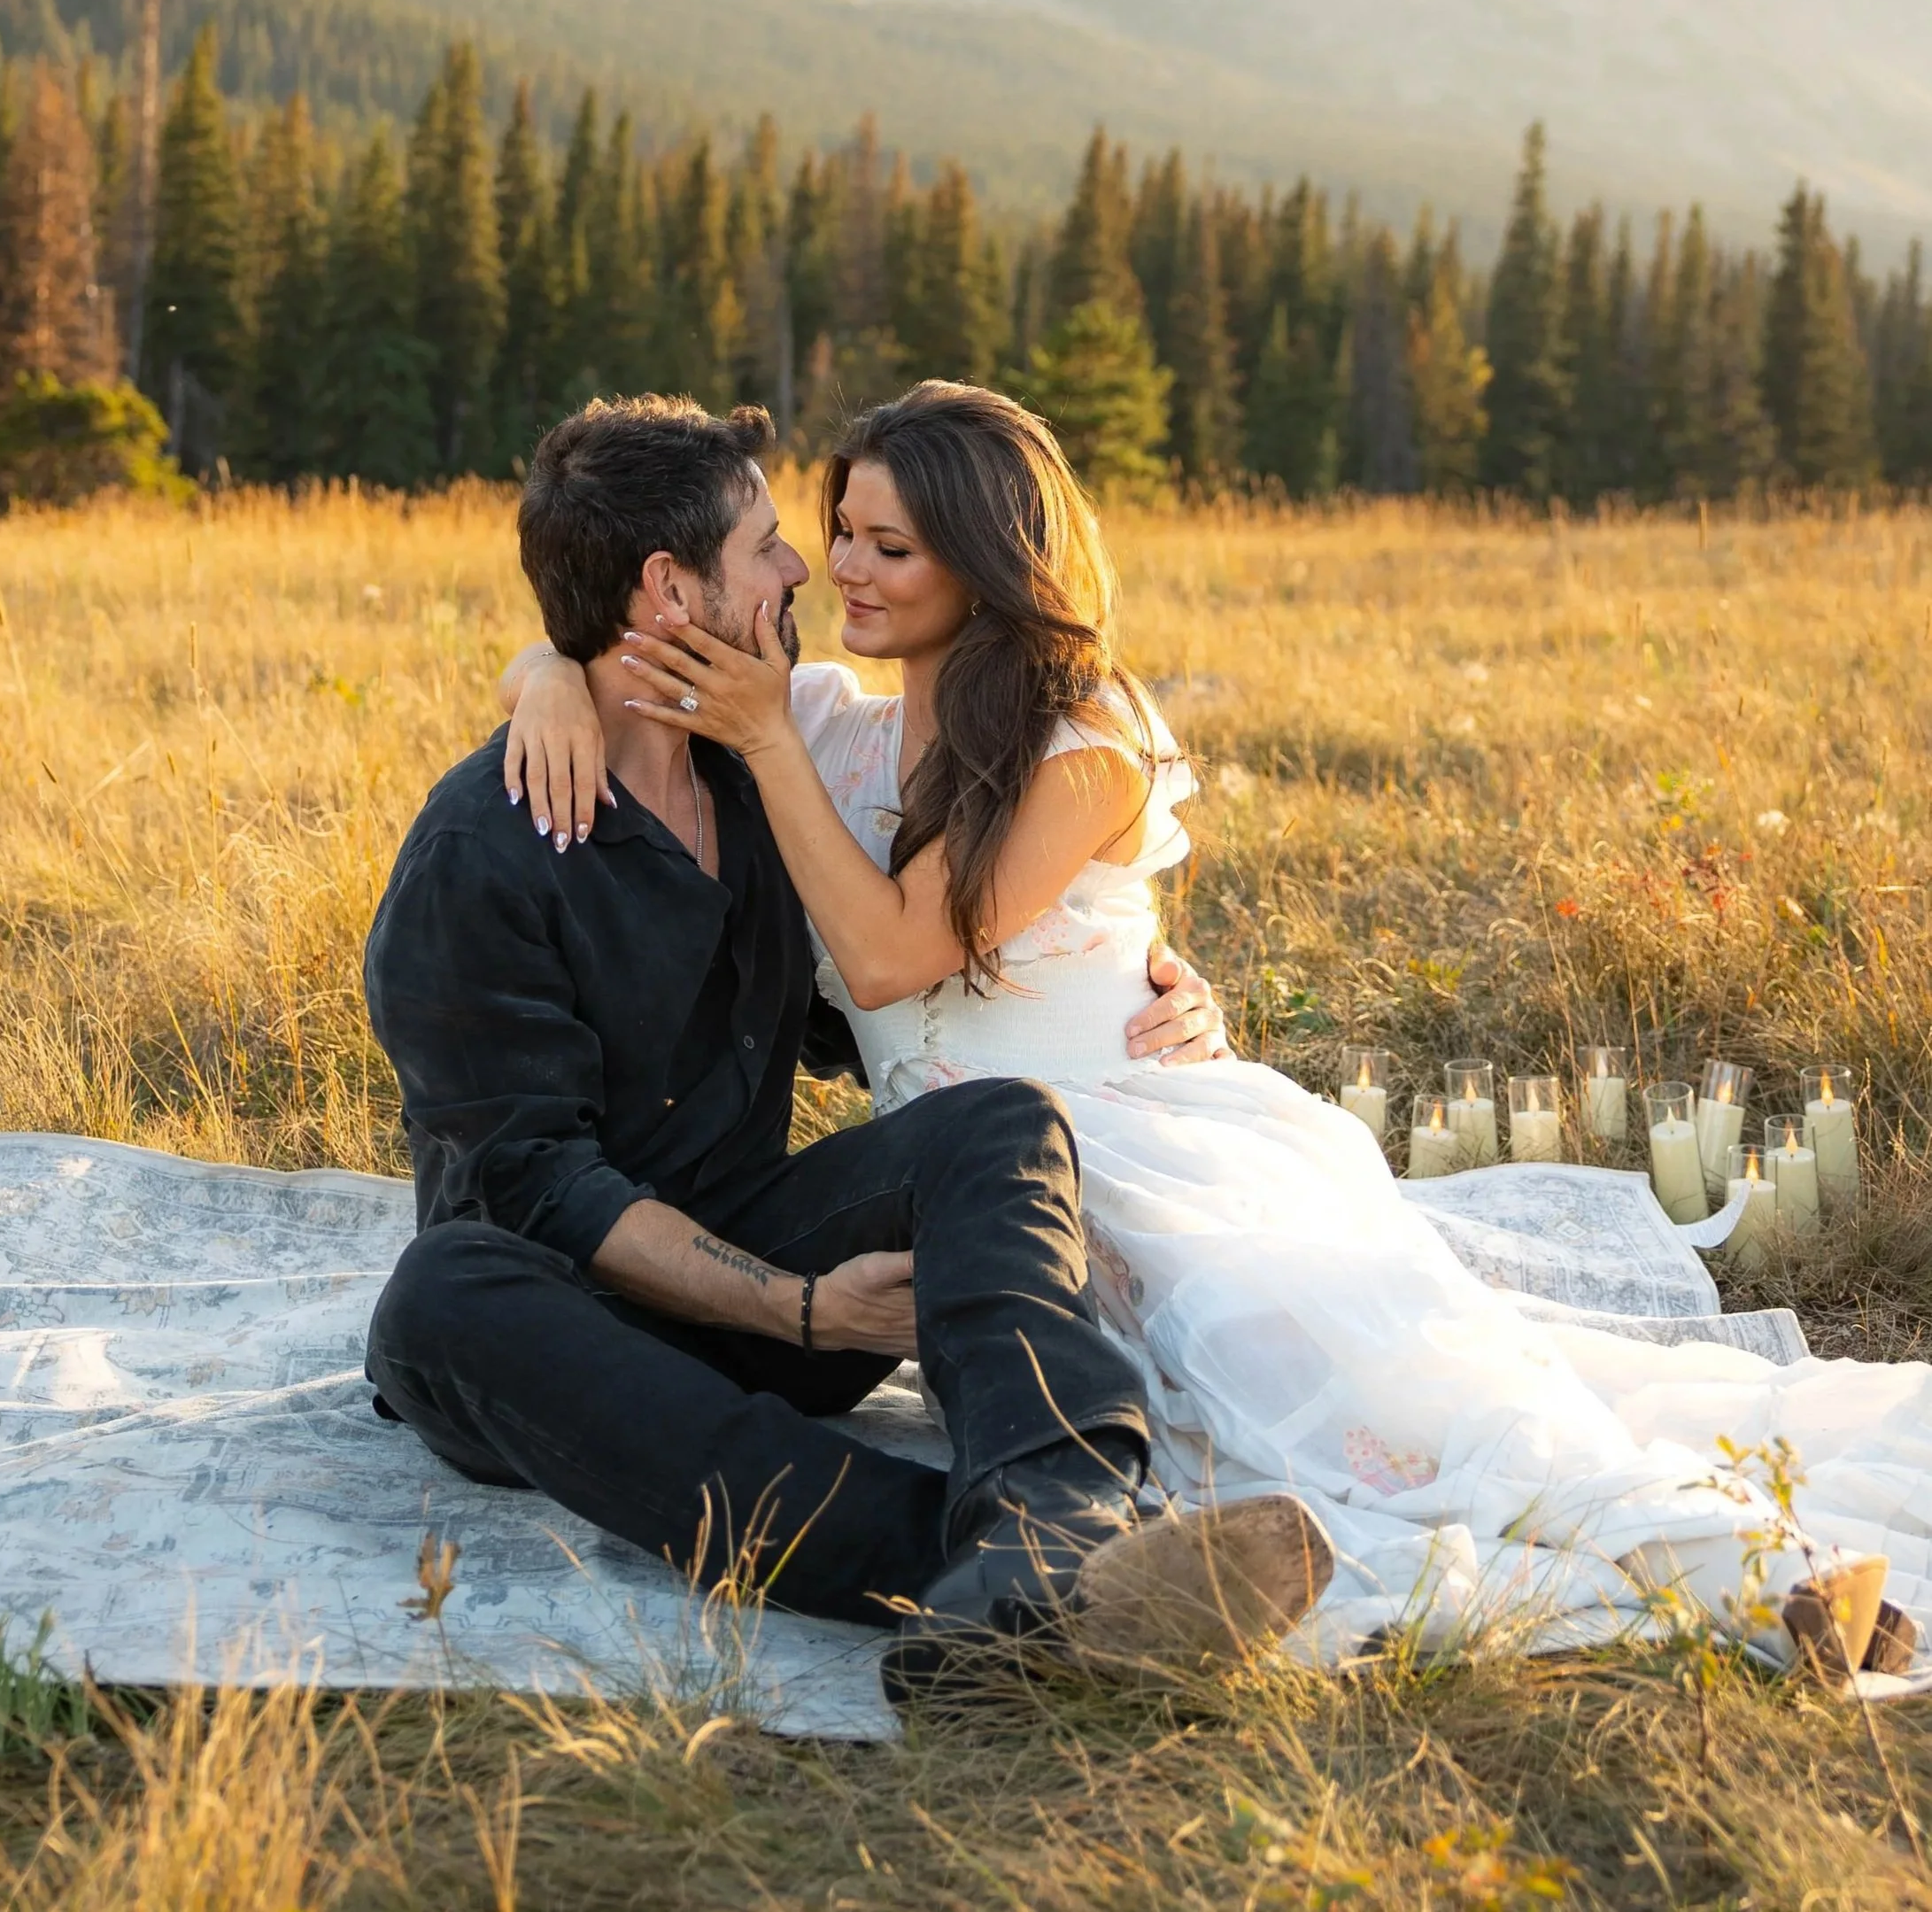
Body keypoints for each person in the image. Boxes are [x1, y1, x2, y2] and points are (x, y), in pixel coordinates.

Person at [506, 379, 1932, 1676]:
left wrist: (757, 742)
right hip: (982, 1188)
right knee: (1148, 1454)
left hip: (1145, 1148)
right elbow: (615, 637)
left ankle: (1773, 1576)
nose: (842, 571)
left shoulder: (1081, 740)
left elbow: (884, 963)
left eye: (893, 545)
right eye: (839, 532)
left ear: (988, 557)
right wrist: (545, 679)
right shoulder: (822, 723)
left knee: (1415, 1426)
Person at [363, 393, 1329, 1708]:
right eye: (768, 542)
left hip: (756, 1256)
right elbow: (540, 1184)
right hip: (566, 1329)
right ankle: (978, 1581)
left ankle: (1053, 1523)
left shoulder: (760, 784)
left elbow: (862, 1004)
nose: (802, 565)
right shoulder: (484, 849)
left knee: (996, 1118)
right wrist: (796, 1309)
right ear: (667, 588)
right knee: (442, 1290)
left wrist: (1135, 993)